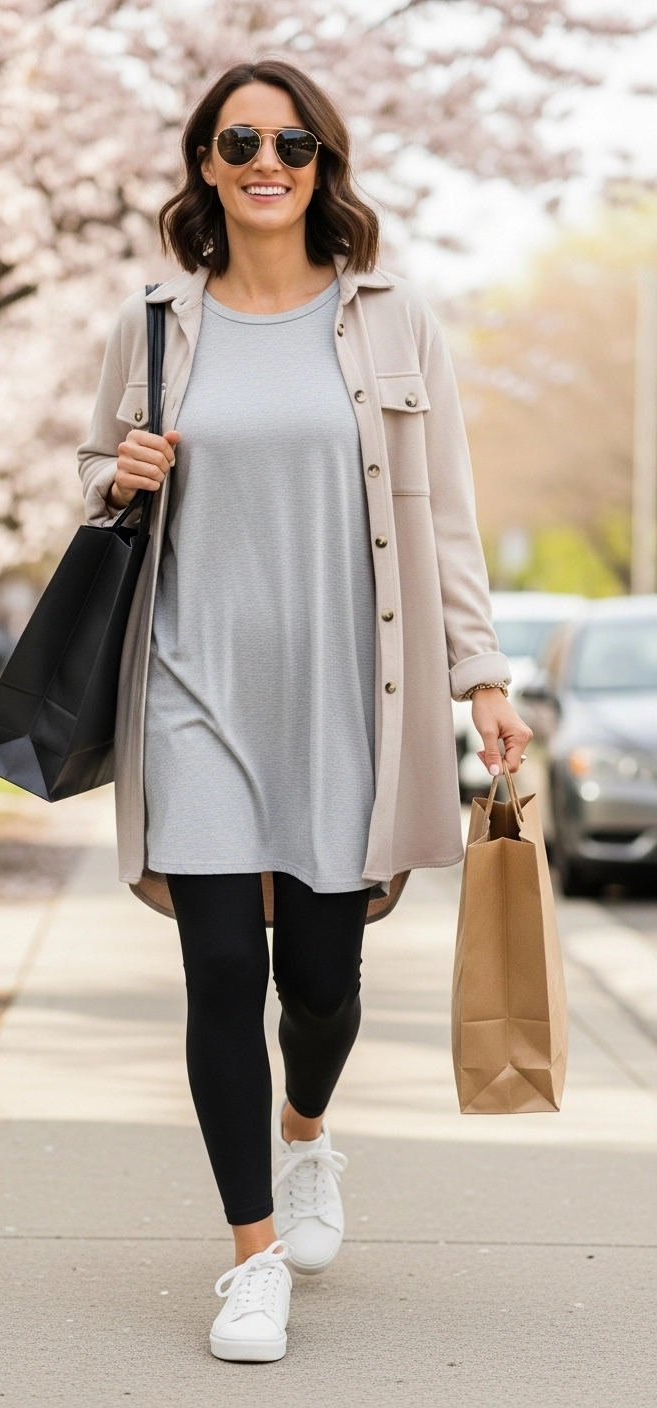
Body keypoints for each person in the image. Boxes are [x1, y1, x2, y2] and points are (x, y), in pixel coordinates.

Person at [78, 58, 532, 1363]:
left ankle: (307, 1133)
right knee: (222, 966)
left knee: (319, 983)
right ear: (206, 166)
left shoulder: (393, 320)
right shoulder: (154, 325)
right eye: (240, 142)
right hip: (192, 687)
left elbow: (445, 515)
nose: (266, 162)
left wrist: (482, 673)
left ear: (322, 162)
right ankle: (252, 1257)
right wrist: (118, 472)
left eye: (291, 143)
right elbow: (96, 481)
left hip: (350, 697)